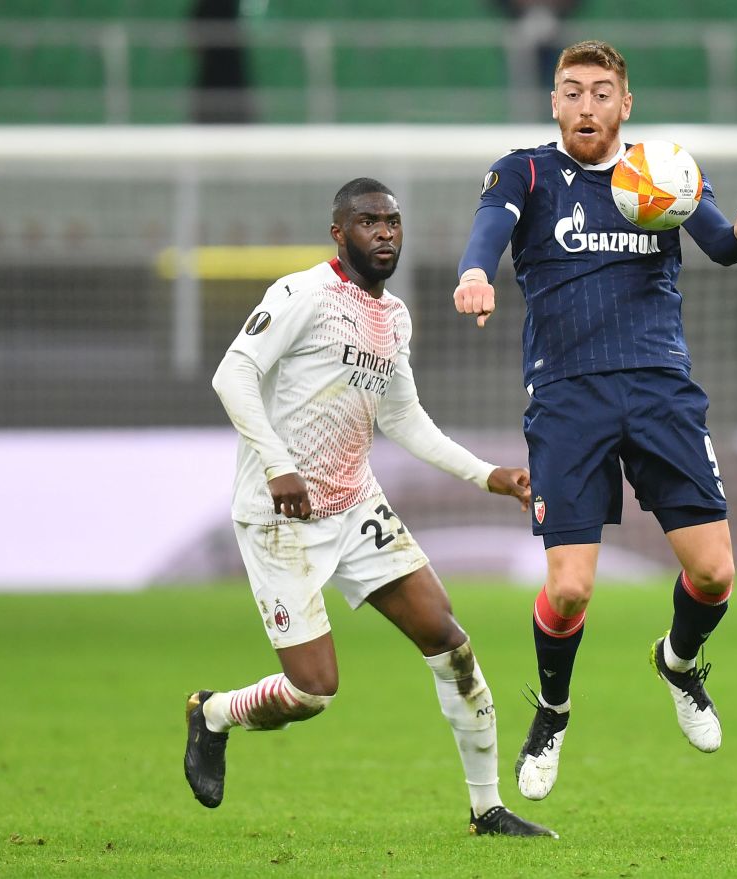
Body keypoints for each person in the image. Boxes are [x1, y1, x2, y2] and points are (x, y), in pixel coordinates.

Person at [452, 40, 737, 801]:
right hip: (569, 397)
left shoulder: (661, 172)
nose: (587, 106)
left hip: (661, 388)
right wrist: (475, 273)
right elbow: (488, 231)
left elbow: (719, 246)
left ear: (625, 104)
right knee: (568, 590)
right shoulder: (525, 171)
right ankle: (553, 713)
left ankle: (677, 660)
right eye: (572, 92)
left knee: (714, 572)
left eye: (602, 92)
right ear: (554, 104)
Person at [184, 177, 556, 838]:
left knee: (451, 642)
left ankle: (486, 808)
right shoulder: (302, 294)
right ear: (339, 231)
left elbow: (404, 419)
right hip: (281, 518)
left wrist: (488, 475)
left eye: (392, 221)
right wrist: (279, 466)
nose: (384, 233)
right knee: (313, 691)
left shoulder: (395, 316)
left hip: (355, 505)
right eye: (368, 222)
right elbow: (231, 374)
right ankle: (214, 713)